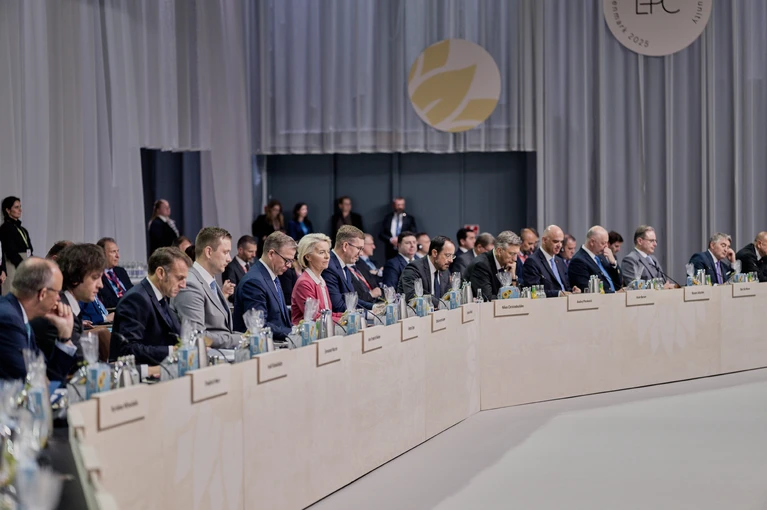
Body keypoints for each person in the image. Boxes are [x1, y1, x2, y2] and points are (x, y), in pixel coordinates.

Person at [0, 257, 76, 380]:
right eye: (57, 292)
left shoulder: (19, 315)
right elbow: (34, 382)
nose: (59, 298)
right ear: (43, 294)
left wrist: (65, 336)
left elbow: (47, 376)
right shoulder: (8, 321)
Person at [112, 247, 191, 365]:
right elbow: (128, 349)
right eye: (179, 278)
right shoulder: (136, 299)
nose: (183, 285)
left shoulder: (161, 295)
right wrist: (172, 351)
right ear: (160, 273)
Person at [31, 244, 107, 364]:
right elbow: (83, 364)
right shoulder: (58, 310)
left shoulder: (68, 304)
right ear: (75, 278)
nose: (100, 285)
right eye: (95, 277)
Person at [171, 227, 241, 349]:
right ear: (208, 252)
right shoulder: (190, 284)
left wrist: (247, 336)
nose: (229, 259)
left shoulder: (209, 281)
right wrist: (242, 339)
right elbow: (197, 336)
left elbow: (221, 330)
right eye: (225, 252)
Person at [233, 232, 296, 340]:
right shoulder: (254, 282)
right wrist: (294, 332)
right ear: (271, 254)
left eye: (292, 261)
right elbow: (259, 325)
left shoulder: (273, 275)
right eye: (287, 260)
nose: (289, 265)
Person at [290, 233, 344, 325]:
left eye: (328, 252)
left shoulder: (321, 280)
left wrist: (346, 316)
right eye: (321, 252)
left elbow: (327, 314)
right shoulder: (304, 283)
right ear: (308, 256)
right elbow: (315, 317)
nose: (327, 256)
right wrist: (343, 320)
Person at [322, 225, 373, 312]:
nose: (361, 254)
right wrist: (367, 313)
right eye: (359, 248)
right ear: (345, 246)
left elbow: (352, 301)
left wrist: (373, 307)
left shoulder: (344, 265)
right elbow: (338, 306)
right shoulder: (329, 267)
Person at [398, 236, 455, 308]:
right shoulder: (414, 268)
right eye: (448, 255)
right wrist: (441, 304)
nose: (451, 260)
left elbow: (448, 295)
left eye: (452, 256)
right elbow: (413, 297)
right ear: (434, 253)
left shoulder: (445, 270)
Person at [522, 225, 579, 297]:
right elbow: (534, 292)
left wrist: (573, 291)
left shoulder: (560, 261)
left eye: (561, 242)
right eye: (555, 241)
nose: (559, 245)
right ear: (544, 240)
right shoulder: (532, 262)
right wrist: (558, 294)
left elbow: (566, 287)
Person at [467, 231, 524, 301]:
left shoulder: (511, 264)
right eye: (512, 254)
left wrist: (513, 277)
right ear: (499, 251)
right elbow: (488, 299)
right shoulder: (481, 265)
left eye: (516, 254)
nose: (515, 259)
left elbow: (519, 296)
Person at [568, 226, 622, 293]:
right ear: (592, 242)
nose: (606, 246)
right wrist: (615, 293)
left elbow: (619, 283)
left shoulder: (602, 256)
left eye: (607, 243)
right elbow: (587, 290)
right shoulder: (578, 261)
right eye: (603, 243)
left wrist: (613, 263)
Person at [0, 196, 33, 295]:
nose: (20, 210)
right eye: (16, 207)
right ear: (8, 210)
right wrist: (22, 265)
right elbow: (10, 251)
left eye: (20, 207)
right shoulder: (5, 228)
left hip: (24, 264)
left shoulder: (23, 229)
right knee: (11, 292)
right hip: (13, 265)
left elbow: (30, 249)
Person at [96, 237, 133, 309]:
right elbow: (105, 302)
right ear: (102, 254)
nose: (117, 256)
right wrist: (128, 300)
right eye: (113, 252)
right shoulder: (97, 275)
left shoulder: (121, 271)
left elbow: (132, 291)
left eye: (117, 251)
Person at [223, 235, 257, 303]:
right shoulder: (230, 267)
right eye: (250, 251)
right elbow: (232, 295)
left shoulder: (254, 266)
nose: (254, 255)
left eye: (255, 251)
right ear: (240, 250)